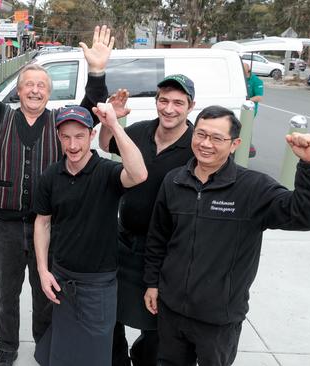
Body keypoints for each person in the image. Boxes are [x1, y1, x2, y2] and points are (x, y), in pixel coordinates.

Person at [0, 5, 113, 365]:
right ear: (18, 91)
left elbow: (92, 108)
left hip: (49, 227)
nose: (34, 90)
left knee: (45, 292)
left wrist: (97, 71)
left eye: (41, 86)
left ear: (50, 92)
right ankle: (7, 349)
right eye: (28, 85)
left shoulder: (61, 123)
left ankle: (45, 347)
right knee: (6, 294)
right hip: (5, 226)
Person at [144, 106, 310, 366]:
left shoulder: (253, 188)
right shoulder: (173, 181)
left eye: (217, 138)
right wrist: (153, 283)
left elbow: (305, 215)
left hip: (218, 319)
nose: (206, 144)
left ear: (235, 144)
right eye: (201, 135)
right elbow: (158, 238)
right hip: (172, 310)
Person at [33, 105, 147, 366]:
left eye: (79, 136)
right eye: (66, 136)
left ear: (92, 135)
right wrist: (42, 270)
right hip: (62, 280)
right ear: (58, 137)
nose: (73, 144)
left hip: (98, 285)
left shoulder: (107, 172)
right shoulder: (50, 176)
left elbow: (139, 174)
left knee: (95, 356)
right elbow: (43, 223)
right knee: (62, 354)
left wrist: (115, 125)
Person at [98, 75, 197, 366]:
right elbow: (106, 145)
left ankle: (143, 359)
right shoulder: (140, 131)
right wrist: (110, 122)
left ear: (190, 107)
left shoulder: (196, 146)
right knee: (112, 312)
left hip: (166, 251)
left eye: (178, 103)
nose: (169, 109)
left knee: (155, 322)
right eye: (163, 100)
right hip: (125, 240)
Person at [243, 63, 263, 158]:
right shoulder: (240, 78)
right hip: (238, 107)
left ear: (248, 69)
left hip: (249, 109)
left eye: (244, 68)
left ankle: (246, 147)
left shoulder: (256, 81)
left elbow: (259, 97)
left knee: (246, 127)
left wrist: (246, 101)